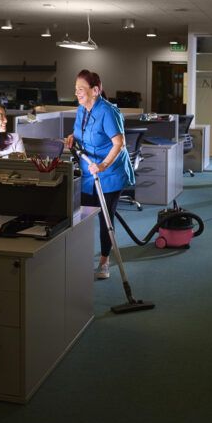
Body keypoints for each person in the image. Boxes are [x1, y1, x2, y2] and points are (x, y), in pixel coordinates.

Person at [65, 69, 134, 280]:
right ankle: (80, 257)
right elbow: (79, 135)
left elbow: (119, 144)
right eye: (76, 89)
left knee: (106, 219)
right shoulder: (81, 110)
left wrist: (103, 165)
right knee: (82, 216)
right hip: (88, 173)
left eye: (81, 89)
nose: (77, 93)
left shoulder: (108, 112)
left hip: (110, 172)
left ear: (95, 90)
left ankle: (104, 262)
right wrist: (71, 139)